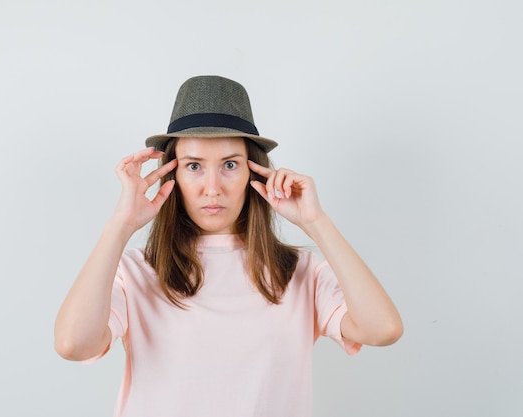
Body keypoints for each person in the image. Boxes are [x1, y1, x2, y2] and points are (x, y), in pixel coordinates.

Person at [54, 75, 403, 417]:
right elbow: (73, 344)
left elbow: (383, 329)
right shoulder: (136, 272)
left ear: (255, 171)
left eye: (230, 165)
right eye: (194, 166)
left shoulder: (299, 271)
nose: (212, 187)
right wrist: (120, 225)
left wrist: (316, 222)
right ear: (171, 174)